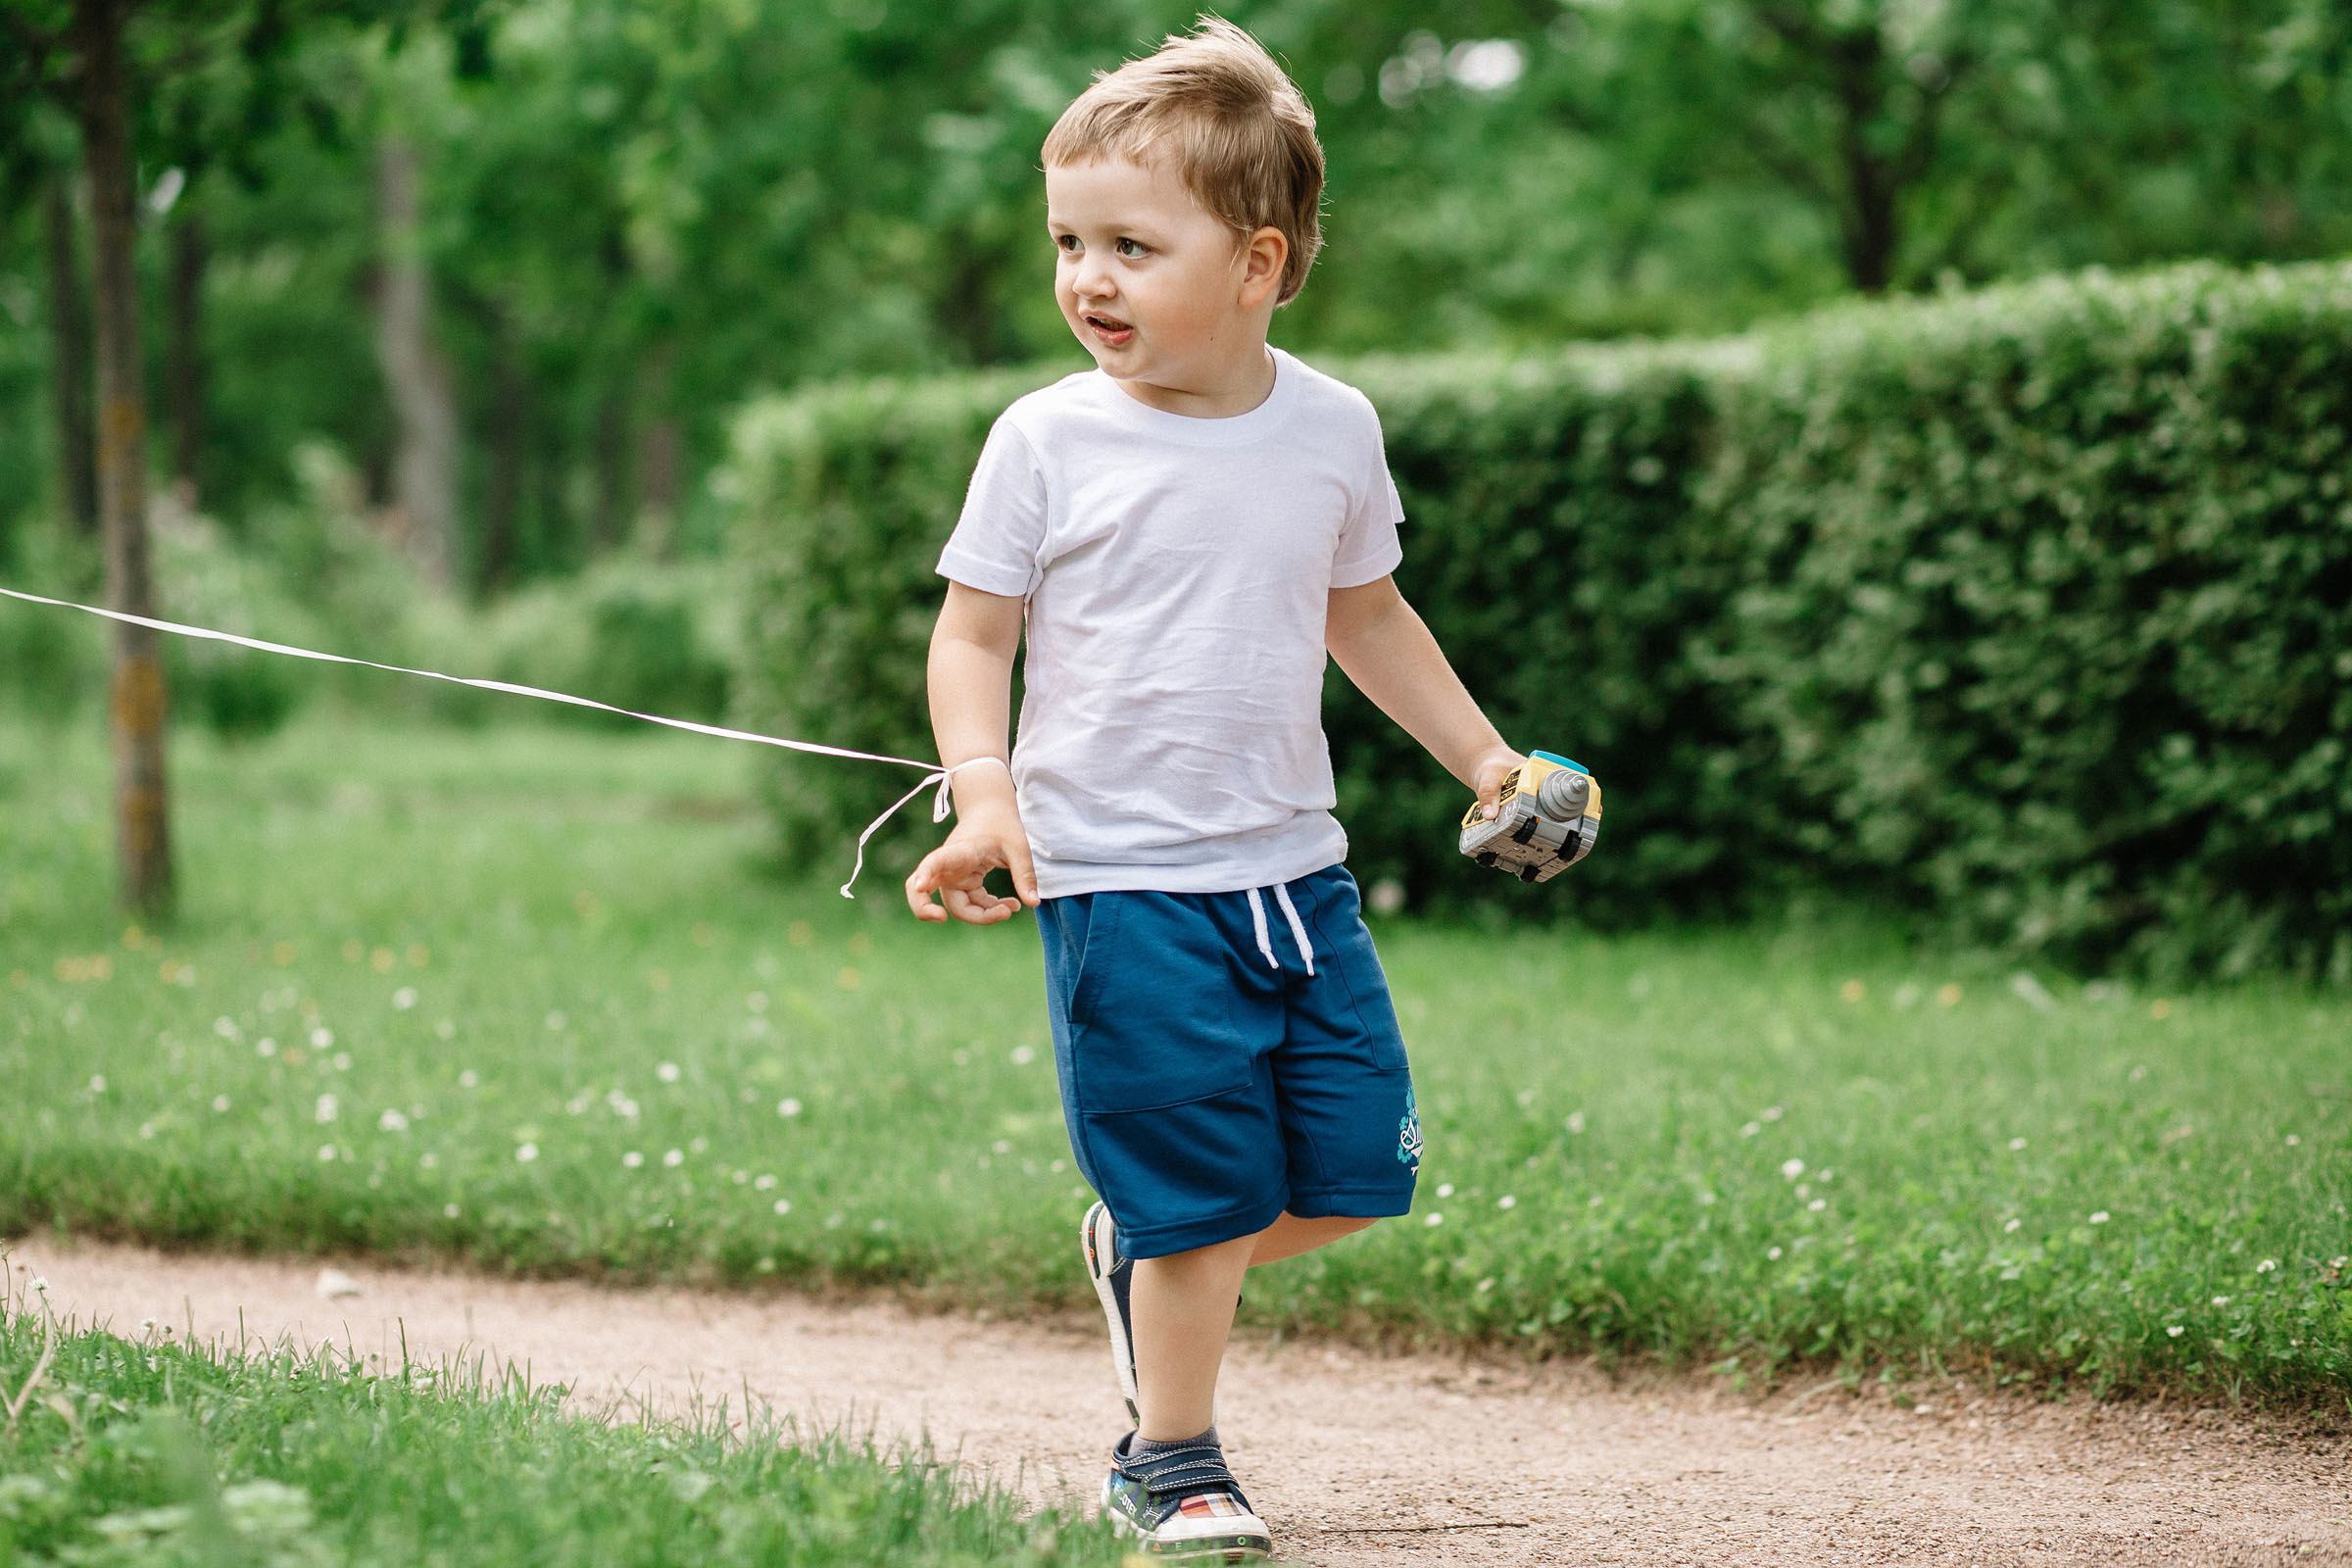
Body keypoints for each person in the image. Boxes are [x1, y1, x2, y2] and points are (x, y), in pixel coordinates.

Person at [904, 18, 1524, 1561]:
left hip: (1292, 874)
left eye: (1130, 243)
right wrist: (983, 791)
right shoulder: (1045, 437)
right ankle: (1169, 1460)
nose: (1086, 279)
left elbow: (1365, 612)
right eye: (1068, 241)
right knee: (1201, 1203)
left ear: (1258, 263)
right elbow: (974, 632)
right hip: (1116, 881)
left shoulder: (1332, 429)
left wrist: (1485, 758)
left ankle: (1142, 1239)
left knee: (1355, 1175)